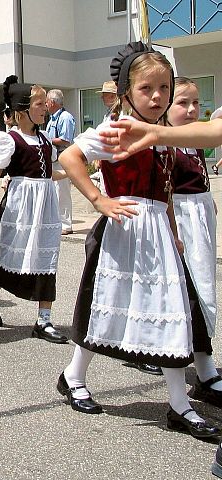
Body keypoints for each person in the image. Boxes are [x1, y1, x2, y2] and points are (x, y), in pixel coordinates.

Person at [57, 42, 219, 441]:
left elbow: (163, 192)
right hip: (124, 230)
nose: (157, 96)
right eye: (147, 89)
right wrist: (99, 200)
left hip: (159, 234)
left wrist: (175, 233)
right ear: (127, 92)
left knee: (170, 312)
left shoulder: (165, 135)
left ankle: (180, 404)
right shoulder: (114, 128)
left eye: (164, 88)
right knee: (107, 308)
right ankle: (73, 374)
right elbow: (70, 157)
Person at [0, 75, 68, 343]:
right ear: (22, 111)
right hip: (20, 206)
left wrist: (79, 174)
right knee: (12, 257)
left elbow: (48, 173)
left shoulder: (47, 139)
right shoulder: (9, 140)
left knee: (46, 258)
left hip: (45, 206)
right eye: (39, 103)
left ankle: (44, 320)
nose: (45, 107)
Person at [167, 75, 222, 401]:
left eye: (195, 103)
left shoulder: (194, 140)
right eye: (182, 103)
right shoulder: (167, 144)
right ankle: (204, 370)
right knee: (192, 294)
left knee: (204, 290)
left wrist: (207, 196)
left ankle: (204, 365)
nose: (190, 110)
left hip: (199, 217)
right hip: (181, 221)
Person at [45, 89, 75, 234]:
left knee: (62, 191)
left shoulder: (65, 117)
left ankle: (66, 224)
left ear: (52, 102)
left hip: (62, 158)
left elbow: (66, 140)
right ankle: (57, 221)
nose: (45, 105)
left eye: (46, 102)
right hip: (53, 158)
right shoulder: (52, 118)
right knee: (54, 191)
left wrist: (46, 140)